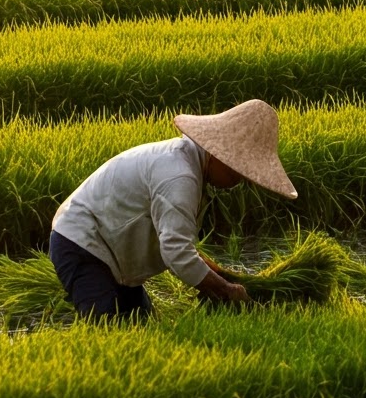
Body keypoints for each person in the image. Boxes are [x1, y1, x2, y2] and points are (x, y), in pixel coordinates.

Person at [48, 99, 298, 320]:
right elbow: (176, 252)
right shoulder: (180, 177)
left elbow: (178, 242)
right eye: (237, 170)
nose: (238, 181)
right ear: (218, 155)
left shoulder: (190, 167)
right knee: (105, 326)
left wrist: (221, 276)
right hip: (83, 243)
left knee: (141, 326)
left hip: (114, 253)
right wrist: (225, 289)